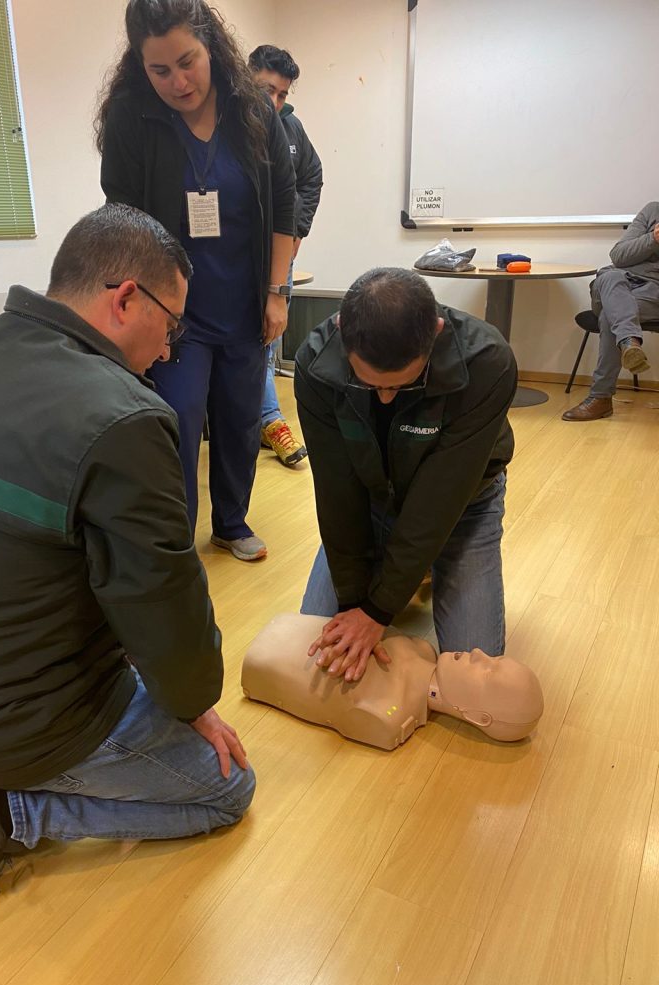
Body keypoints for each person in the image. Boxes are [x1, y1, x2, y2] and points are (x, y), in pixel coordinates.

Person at [0, 205, 255, 937]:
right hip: (17, 724)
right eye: (172, 325)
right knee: (227, 789)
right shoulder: (125, 416)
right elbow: (164, 603)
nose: (170, 349)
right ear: (126, 299)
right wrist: (193, 702)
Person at [96, 0, 296, 561]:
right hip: (173, 314)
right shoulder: (131, 116)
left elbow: (285, 204)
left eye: (188, 62)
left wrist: (277, 293)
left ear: (211, 46)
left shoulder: (252, 109)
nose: (178, 82)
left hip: (245, 301)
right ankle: (176, 540)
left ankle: (231, 523)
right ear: (140, 64)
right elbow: (122, 218)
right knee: (177, 421)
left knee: (239, 420)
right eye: (160, 70)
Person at [295, 267, 517, 681]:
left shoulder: (488, 362)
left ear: (435, 332)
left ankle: (416, 569)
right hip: (373, 497)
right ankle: (405, 569)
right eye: (371, 385)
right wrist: (354, 604)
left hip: (462, 506)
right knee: (316, 645)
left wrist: (379, 610)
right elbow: (337, 491)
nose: (385, 398)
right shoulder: (315, 363)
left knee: (473, 677)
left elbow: (438, 503)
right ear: (341, 331)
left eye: (400, 385)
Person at [242, 613, 544, 749]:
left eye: (488, 671)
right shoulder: (423, 650)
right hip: (286, 641)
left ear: (479, 717)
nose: (478, 653)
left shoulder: (390, 714)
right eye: (494, 659)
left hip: (266, 659)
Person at [249, 44, 323, 469]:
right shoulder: (226, 124)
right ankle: (263, 418)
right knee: (246, 341)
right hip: (239, 258)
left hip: (280, 259)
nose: (274, 103)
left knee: (269, 337)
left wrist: (297, 230)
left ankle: (268, 419)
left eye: (282, 94)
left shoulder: (291, 128)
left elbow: (311, 178)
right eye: (267, 91)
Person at [563, 201, 659, 421]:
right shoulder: (652, 210)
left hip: (652, 293)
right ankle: (628, 341)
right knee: (611, 276)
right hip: (615, 284)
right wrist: (652, 239)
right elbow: (618, 255)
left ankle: (601, 397)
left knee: (611, 314)